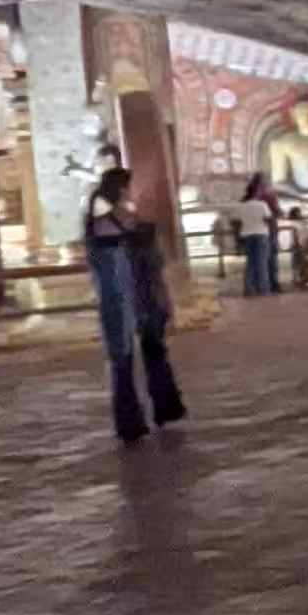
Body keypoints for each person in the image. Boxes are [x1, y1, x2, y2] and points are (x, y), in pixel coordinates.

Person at [82, 162, 186, 444]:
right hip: (131, 294)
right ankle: (147, 413)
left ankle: (151, 412)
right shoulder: (114, 221)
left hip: (133, 295)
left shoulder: (112, 225)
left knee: (134, 356)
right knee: (133, 356)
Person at [235, 174, 279, 298]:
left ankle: (248, 288)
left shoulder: (242, 205)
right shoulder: (262, 205)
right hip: (261, 234)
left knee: (250, 263)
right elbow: (268, 219)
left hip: (247, 235)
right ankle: (264, 289)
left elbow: (237, 221)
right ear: (256, 192)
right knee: (262, 263)